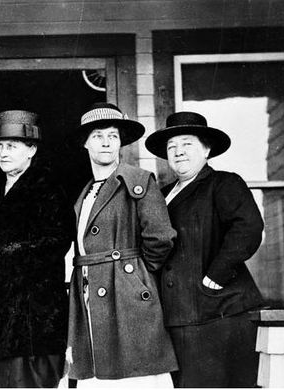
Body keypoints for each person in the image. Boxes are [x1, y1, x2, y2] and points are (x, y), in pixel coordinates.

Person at [145, 111, 265, 387]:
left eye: (187, 144)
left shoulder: (223, 183)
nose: (178, 152)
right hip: (176, 316)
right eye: (172, 146)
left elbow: (248, 228)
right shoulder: (161, 195)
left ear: (206, 149)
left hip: (219, 313)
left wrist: (215, 277)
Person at [66, 102, 178, 387]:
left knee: (134, 375)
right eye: (98, 136)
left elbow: (161, 237)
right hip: (89, 295)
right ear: (86, 143)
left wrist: (134, 277)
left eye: (113, 136)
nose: (106, 142)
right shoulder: (86, 191)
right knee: (97, 371)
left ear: (121, 143)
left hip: (126, 295)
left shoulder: (137, 180)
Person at [0, 110, 75, 388]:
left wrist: (0, 260)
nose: (3, 153)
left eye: (12, 146)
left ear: (31, 149)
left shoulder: (48, 188)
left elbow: (56, 242)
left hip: (33, 320)